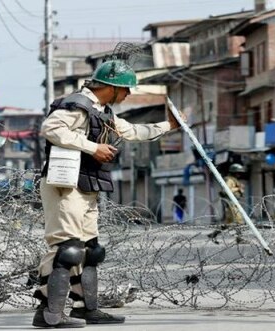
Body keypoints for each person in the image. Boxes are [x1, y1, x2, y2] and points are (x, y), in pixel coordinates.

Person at [33, 60, 183, 328]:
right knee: (66, 249)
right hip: (65, 184)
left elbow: (134, 131)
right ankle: (48, 314)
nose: (129, 95)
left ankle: (85, 309)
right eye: (126, 89)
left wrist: (169, 125)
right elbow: (51, 129)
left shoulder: (103, 112)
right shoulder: (77, 104)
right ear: (112, 87)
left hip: (88, 183)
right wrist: (92, 147)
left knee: (90, 250)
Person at [208, 163, 247, 243]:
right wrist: (238, 188)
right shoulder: (229, 180)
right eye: (238, 173)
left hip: (232, 203)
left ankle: (214, 234)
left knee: (228, 223)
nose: (239, 174)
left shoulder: (232, 180)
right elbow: (226, 190)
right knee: (239, 221)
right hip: (231, 204)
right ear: (234, 173)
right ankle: (239, 239)